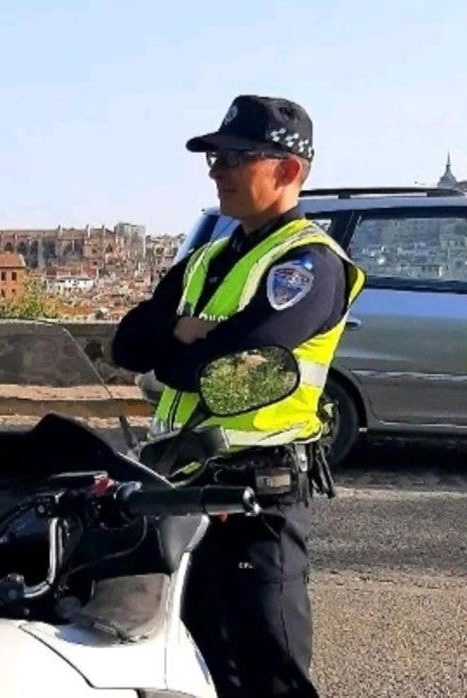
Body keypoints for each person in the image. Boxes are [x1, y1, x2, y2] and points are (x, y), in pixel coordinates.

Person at [111, 95, 364, 697]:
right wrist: (176, 333)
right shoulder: (206, 258)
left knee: (269, 670)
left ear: (288, 170)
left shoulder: (309, 264)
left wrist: (171, 350)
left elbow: (228, 367)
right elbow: (125, 344)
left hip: (258, 498)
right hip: (183, 491)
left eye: (234, 157)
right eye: (214, 157)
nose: (216, 170)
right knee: (198, 660)